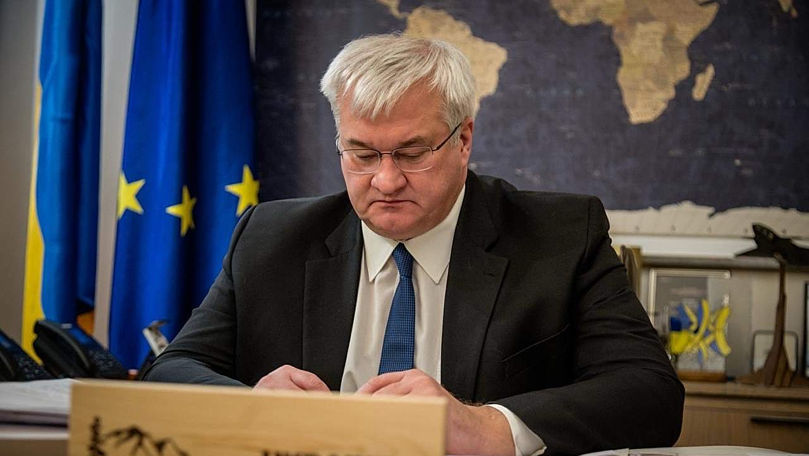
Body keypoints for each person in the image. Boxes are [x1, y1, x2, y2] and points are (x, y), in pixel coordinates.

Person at [143, 34, 684, 455]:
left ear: (463, 139)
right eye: (361, 154)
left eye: (411, 153)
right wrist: (250, 406)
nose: (386, 180)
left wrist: (489, 427)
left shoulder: (559, 236)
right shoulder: (271, 237)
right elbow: (169, 370)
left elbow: (652, 393)